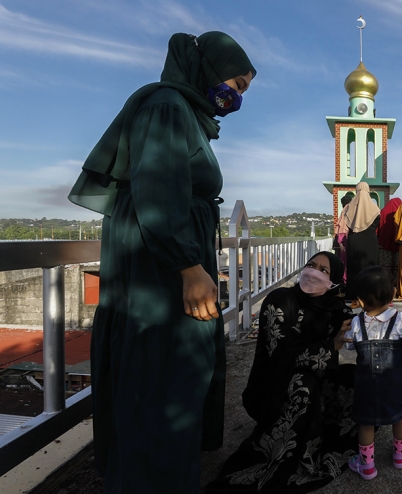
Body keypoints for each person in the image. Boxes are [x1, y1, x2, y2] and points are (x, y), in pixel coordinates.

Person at [66, 31, 255, 492]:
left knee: (173, 374)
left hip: (169, 258)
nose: (236, 97)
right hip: (162, 268)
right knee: (160, 377)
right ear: (209, 70)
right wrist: (188, 268)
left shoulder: (184, 111)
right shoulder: (167, 106)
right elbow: (156, 189)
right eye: (236, 84)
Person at [207, 252, 357, 493]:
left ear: (334, 282)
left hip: (319, 390)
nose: (314, 272)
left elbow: (367, 324)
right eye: (311, 265)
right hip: (274, 391)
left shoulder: (333, 307)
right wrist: (332, 346)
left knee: (359, 378)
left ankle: (318, 428)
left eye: (324, 270)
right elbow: (281, 354)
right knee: (304, 384)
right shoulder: (280, 300)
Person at [345, 267, 402, 481]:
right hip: (396, 382)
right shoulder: (400, 319)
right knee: (400, 417)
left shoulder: (357, 322)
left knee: (366, 423)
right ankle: (400, 456)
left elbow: (349, 347)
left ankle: (366, 465)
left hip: (367, 383)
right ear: (393, 293)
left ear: (360, 300)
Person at [344, 182, 381, 298]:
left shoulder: (349, 207)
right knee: (371, 269)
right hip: (370, 242)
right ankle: (371, 294)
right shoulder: (374, 209)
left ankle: (353, 294)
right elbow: (377, 223)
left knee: (354, 268)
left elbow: (346, 222)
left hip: (354, 240)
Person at [377, 197, 402, 285]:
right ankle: (395, 285)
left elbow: (378, 228)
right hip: (398, 244)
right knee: (397, 266)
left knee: (385, 266)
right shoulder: (401, 212)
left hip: (384, 244)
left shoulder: (383, 211)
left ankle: (385, 284)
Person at [334, 192, 355, 278]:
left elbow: (340, 227)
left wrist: (339, 241)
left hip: (342, 237)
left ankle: (344, 279)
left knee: (343, 260)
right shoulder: (349, 210)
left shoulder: (343, 210)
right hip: (347, 236)